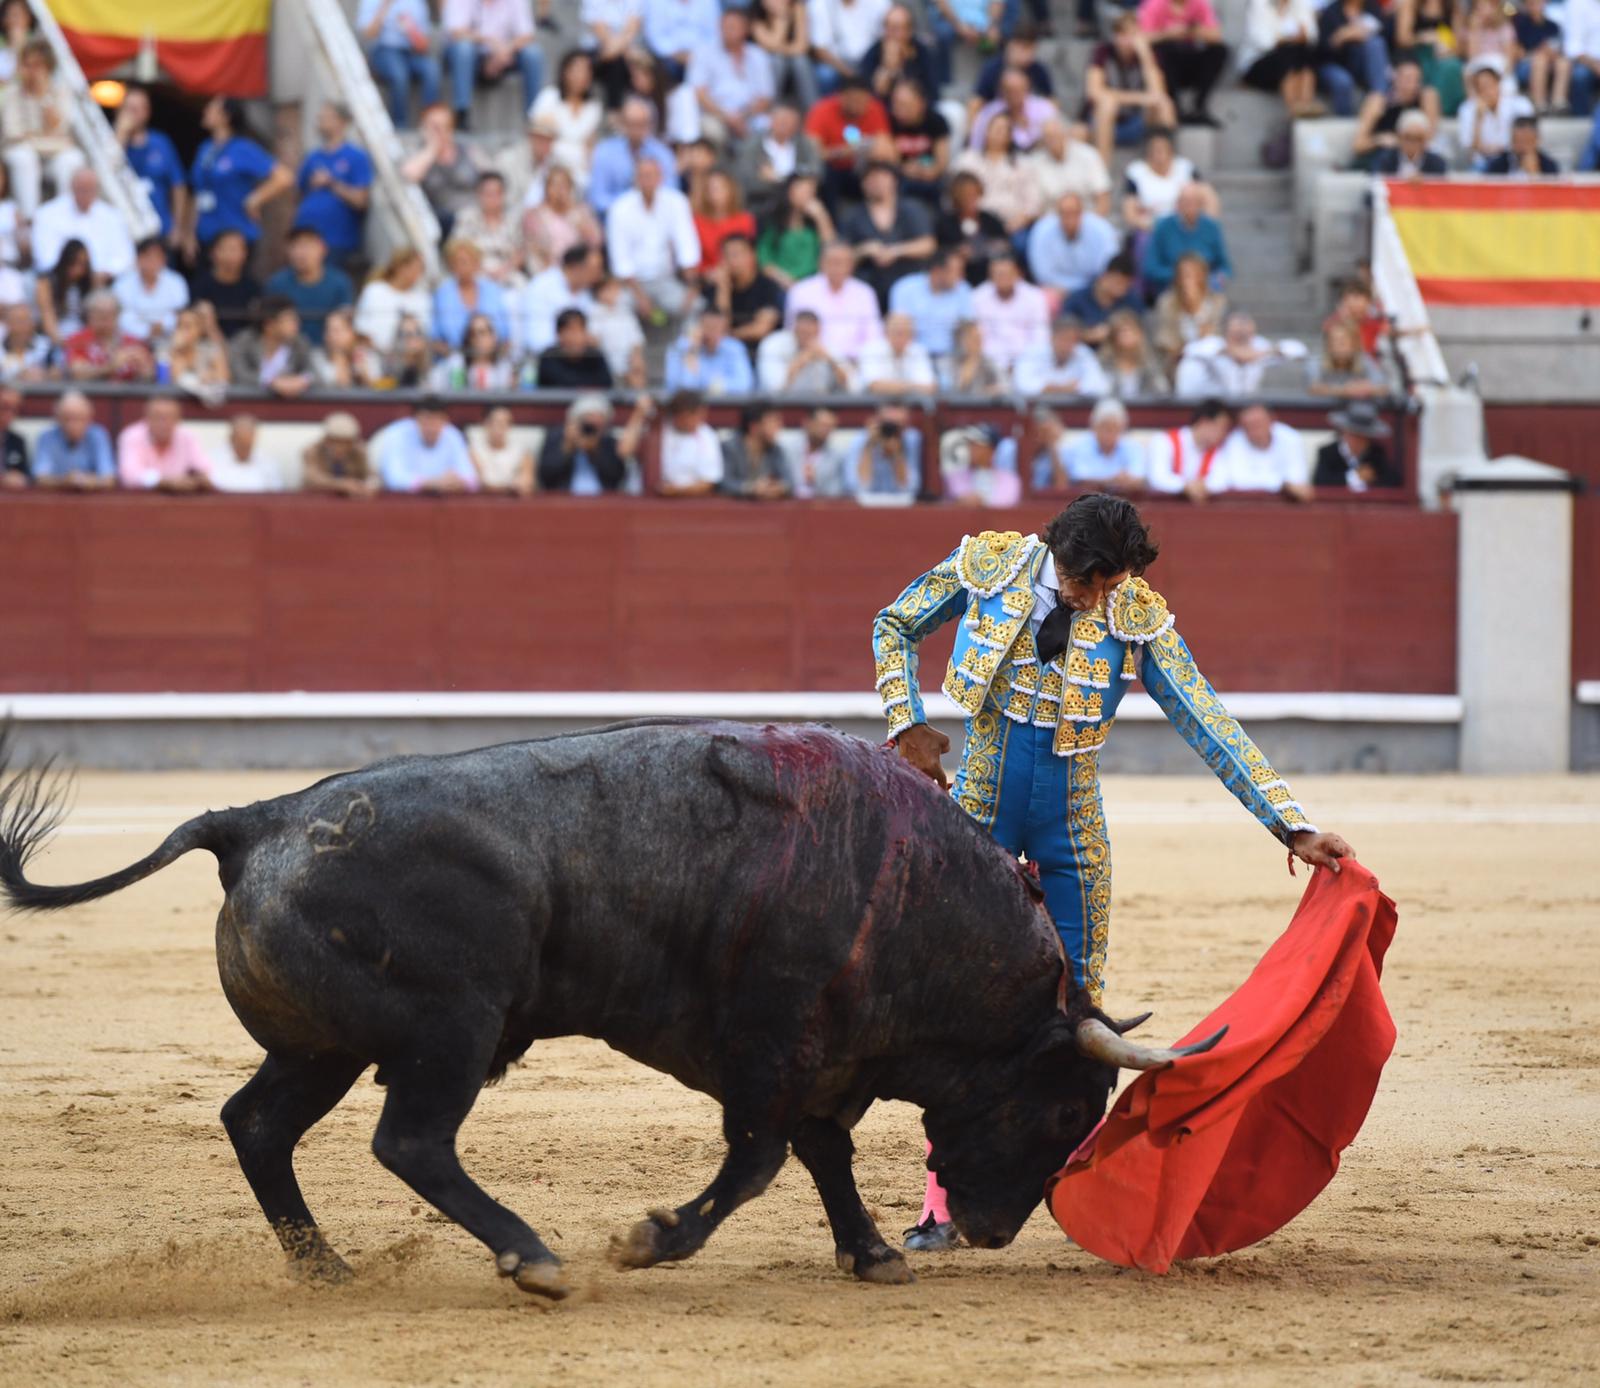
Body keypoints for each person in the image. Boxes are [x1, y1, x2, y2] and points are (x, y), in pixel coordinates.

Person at [874, 495, 1352, 1245]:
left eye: (1105, 584)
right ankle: (940, 1204)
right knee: (957, 1012)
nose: (1093, 596)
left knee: (1080, 1018)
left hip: (1072, 825)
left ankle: (1077, 1193)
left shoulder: (1134, 611)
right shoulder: (995, 566)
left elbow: (1206, 718)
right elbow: (895, 622)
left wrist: (1291, 825)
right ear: (1057, 551)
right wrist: (905, 722)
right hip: (976, 811)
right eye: (1083, 579)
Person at [185, 97, 294, 256]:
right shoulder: (205, 149)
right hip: (206, 233)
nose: (205, 111)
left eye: (212, 108)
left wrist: (255, 199)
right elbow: (196, 192)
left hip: (236, 235)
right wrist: (190, 233)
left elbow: (284, 177)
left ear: (226, 116)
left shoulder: (243, 148)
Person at [606, 154, 700, 322]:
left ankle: (685, 347)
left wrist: (692, 285)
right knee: (614, 309)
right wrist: (640, 296)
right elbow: (620, 259)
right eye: (643, 175)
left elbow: (686, 245)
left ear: (661, 177)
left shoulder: (677, 202)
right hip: (631, 285)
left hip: (666, 281)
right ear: (635, 178)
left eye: (652, 175)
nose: (647, 180)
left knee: (697, 307)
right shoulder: (619, 208)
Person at [0, 39, 84, 218]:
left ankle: (65, 217)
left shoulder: (60, 91)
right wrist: (45, 138)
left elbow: (61, 129)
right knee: (24, 158)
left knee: (71, 160)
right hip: (25, 152)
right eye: (28, 65)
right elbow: (12, 132)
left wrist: (44, 97)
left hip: (52, 154)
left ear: (48, 68)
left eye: (37, 66)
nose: (32, 71)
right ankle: (31, 218)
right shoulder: (13, 93)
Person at [1084, 14, 1179, 164]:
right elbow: (1094, 92)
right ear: (1115, 36)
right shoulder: (1103, 52)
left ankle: (1169, 167)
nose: (1128, 40)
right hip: (1104, 120)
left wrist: (1145, 56)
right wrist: (1139, 98)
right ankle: (1102, 172)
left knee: (1165, 105)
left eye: (1133, 34)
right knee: (1107, 104)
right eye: (1123, 34)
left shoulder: (1148, 55)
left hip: (1136, 120)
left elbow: (1158, 94)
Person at [838, 160, 936, 307]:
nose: (876, 183)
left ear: (894, 181)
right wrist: (864, 250)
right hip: (867, 286)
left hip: (909, 284)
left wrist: (895, 251)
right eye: (870, 179)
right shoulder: (853, 215)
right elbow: (840, 255)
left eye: (881, 178)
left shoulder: (912, 209)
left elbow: (928, 244)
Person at [294, 102, 373, 270]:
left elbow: (361, 201)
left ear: (342, 122)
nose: (320, 121)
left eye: (327, 117)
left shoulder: (356, 156)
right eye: (320, 117)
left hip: (336, 241)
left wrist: (332, 183)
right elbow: (299, 193)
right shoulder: (313, 157)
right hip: (305, 237)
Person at [443, 0, 545, 130]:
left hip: (505, 54)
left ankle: (533, 118)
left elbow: (527, 34)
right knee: (464, 49)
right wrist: (489, 41)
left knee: (533, 53)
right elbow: (455, 32)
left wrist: (505, 50)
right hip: (471, 56)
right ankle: (462, 113)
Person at [783, 240, 882, 364]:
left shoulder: (865, 293)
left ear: (852, 265)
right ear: (820, 263)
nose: (838, 267)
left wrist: (846, 360)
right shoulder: (800, 291)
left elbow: (873, 337)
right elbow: (793, 332)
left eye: (843, 262)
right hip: (814, 360)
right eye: (833, 262)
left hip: (856, 363)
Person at [689, 6, 775, 144]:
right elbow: (700, 94)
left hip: (750, 115)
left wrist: (742, 117)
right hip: (716, 114)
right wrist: (727, 118)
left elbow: (765, 98)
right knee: (712, 130)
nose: (728, 30)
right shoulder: (704, 53)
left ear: (745, 29)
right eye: (725, 26)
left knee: (770, 126)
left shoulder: (758, 55)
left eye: (733, 26)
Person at [114, 86, 189, 246]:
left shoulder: (161, 143)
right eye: (128, 109)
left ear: (147, 112)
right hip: (124, 229)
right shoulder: (112, 141)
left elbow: (178, 186)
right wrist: (121, 134)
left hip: (159, 229)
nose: (132, 114)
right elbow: (108, 171)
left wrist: (177, 226)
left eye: (137, 109)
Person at [31, 168, 136, 280]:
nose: (86, 194)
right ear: (71, 187)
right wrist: (76, 272)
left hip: (105, 283)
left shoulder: (112, 216)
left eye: (90, 189)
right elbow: (44, 258)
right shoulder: (47, 214)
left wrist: (105, 272)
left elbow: (125, 256)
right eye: (81, 189)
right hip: (63, 282)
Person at [802, 76, 890, 209]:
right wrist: (843, 152)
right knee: (823, 173)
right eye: (853, 100)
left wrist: (871, 149)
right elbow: (812, 152)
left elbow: (885, 146)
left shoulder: (874, 108)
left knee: (884, 170)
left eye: (862, 100)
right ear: (841, 97)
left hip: (862, 168)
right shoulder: (822, 110)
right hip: (833, 169)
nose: (858, 105)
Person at [951, 111, 1040, 240]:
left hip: (1012, 225)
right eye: (996, 128)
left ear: (1010, 136)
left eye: (1004, 129)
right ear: (986, 131)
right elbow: (956, 194)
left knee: (1022, 242)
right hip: (973, 224)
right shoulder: (966, 161)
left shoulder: (1023, 164)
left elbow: (1033, 203)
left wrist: (1016, 223)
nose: (999, 132)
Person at [538, 392, 651, 494]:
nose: (592, 425)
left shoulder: (608, 443)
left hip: (603, 504)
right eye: (588, 417)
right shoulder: (556, 439)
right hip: (564, 502)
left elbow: (615, 476)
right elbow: (546, 475)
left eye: (599, 418)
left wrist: (594, 451)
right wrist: (568, 446)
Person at [401, 104, 488, 236]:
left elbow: (491, 178)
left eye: (444, 126)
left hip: (474, 216)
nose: (440, 132)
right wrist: (432, 149)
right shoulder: (418, 153)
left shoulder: (469, 151)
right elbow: (408, 175)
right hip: (440, 220)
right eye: (434, 127)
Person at [1175, 310, 1304, 397]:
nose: (1242, 333)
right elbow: (1189, 350)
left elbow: (1298, 350)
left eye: (1246, 330)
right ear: (1226, 331)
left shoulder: (1259, 344)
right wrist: (1232, 352)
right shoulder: (1213, 343)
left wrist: (1267, 352)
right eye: (1237, 331)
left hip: (1250, 404)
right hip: (1213, 403)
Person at [1138, 0, 1228, 125]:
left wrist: (1191, 30)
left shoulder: (1200, 3)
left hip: (1190, 61)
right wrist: (1167, 34)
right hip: (1164, 66)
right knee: (1166, 49)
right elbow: (1142, 37)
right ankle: (1175, 108)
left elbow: (1217, 36)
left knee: (1219, 50)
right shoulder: (1154, 4)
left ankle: (1199, 107)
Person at [587, 95, 679, 217]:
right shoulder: (604, 151)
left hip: (655, 218)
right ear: (623, 123)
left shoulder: (663, 154)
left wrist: (645, 206)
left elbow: (671, 192)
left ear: (650, 124)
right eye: (631, 124)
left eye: (641, 124)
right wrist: (629, 207)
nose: (636, 130)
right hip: (614, 217)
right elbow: (597, 197)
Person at [264, 227, 355, 349]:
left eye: (307, 246)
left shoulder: (340, 282)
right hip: (289, 353)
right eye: (295, 246)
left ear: (323, 249)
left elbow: (346, 320)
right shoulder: (276, 283)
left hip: (328, 351)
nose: (301, 252)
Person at [1141, 182, 1232, 299]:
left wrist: (1209, 278)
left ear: (1201, 204)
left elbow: (1225, 267)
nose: (1190, 206)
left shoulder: (1211, 227)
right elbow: (1150, 267)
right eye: (1185, 201)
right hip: (1171, 290)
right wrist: (1181, 276)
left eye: (1194, 201)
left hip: (1205, 291)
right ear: (1177, 204)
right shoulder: (1163, 227)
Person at [359, 0, 442, 127]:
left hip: (410, 52)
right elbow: (368, 34)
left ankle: (430, 123)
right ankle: (399, 124)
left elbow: (424, 44)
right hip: (383, 50)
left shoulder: (417, 3)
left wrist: (412, 33)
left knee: (432, 69)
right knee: (399, 74)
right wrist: (384, 7)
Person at [1033, 398, 1147, 490]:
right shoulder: (1079, 445)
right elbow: (1080, 479)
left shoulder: (1133, 447)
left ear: (1123, 428)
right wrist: (1114, 480)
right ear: (1094, 427)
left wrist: (1120, 481)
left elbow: (1138, 479)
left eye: (1115, 428)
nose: (1110, 433)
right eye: (1105, 427)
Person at [1208, 401, 1313, 500]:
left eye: (1258, 424)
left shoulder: (1290, 438)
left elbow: (1297, 479)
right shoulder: (1233, 441)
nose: (1255, 430)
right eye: (1249, 426)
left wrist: (1287, 485)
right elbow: (1239, 481)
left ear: (1272, 421)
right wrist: (1282, 485)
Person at [735, 102, 823, 220]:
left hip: (799, 203)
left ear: (797, 125)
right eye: (782, 120)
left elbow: (816, 172)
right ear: (771, 120)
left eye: (790, 122)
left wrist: (777, 179)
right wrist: (793, 183)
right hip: (763, 203)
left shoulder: (804, 144)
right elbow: (748, 181)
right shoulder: (752, 146)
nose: (785, 125)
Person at [1238, 0, 1323, 120]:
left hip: (1291, 58)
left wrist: (1301, 36)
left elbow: (1311, 36)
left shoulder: (1300, 4)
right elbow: (1261, 40)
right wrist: (1286, 39)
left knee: (1303, 52)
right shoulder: (1259, 3)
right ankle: (1294, 109)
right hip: (1258, 62)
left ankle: (1305, 104)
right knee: (1288, 53)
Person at [1351, 58, 1442, 167]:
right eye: (1408, 79)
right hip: (1382, 157)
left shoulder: (1426, 98)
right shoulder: (1379, 101)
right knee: (1385, 157)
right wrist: (1379, 140)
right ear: (1395, 78)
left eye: (1417, 80)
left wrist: (1401, 142)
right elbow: (1358, 145)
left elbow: (1429, 138)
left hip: (1415, 157)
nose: (1412, 85)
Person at [529, 50, 605, 180]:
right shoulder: (549, 97)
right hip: (549, 170)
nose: (581, 75)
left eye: (586, 71)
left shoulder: (594, 107)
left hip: (581, 173)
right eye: (577, 70)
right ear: (565, 71)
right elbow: (538, 135)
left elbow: (591, 146)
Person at [1026, 192, 1121, 296]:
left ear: (1082, 212)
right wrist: (1066, 289)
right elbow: (1042, 273)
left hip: (1094, 289)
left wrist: (1087, 288)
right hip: (1057, 290)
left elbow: (1108, 266)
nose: (1069, 219)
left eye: (1074, 213)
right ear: (1057, 214)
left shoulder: (1101, 229)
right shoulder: (1042, 230)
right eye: (1064, 213)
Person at [378, 396, 480, 492]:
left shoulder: (453, 435)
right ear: (416, 419)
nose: (431, 427)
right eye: (427, 419)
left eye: (436, 420)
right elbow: (393, 479)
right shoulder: (398, 434)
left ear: (445, 420)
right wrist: (430, 484)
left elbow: (472, 479)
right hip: (406, 504)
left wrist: (459, 482)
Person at [970, 251, 1049, 374]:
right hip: (990, 365)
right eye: (997, 274)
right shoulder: (978, 297)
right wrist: (999, 365)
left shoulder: (1034, 297)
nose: (1002, 279)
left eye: (1006, 274)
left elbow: (1040, 336)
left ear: (1018, 273)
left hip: (1027, 363)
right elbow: (979, 338)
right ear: (990, 276)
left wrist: (1021, 364)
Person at [703, 232, 784, 354]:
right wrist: (723, 289)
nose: (731, 260)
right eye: (726, 255)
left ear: (752, 255)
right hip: (724, 351)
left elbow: (761, 329)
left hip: (759, 351)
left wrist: (728, 335)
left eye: (736, 254)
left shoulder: (767, 286)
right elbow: (717, 326)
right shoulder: (716, 287)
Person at [888, 247, 972, 362]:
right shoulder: (905, 288)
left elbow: (969, 328)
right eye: (957, 271)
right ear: (937, 271)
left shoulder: (963, 289)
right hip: (912, 356)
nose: (962, 276)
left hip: (951, 357)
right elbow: (898, 328)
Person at [117, 395, 213, 491]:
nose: (164, 423)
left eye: (170, 417)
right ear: (147, 418)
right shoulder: (132, 436)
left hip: (179, 500)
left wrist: (199, 480)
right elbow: (129, 476)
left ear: (178, 419)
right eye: (158, 417)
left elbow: (207, 470)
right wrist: (163, 482)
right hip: (140, 501)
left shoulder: (187, 437)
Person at [755, 172, 833, 288]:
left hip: (815, 283)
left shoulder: (815, 223)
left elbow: (832, 249)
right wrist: (788, 282)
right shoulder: (772, 222)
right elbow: (764, 260)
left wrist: (821, 217)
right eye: (802, 190)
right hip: (781, 284)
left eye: (811, 191)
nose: (807, 195)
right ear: (789, 192)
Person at [881, 78, 952, 207]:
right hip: (899, 176)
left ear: (921, 103)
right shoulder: (887, 120)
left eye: (905, 105)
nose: (899, 110)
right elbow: (888, 158)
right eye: (896, 104)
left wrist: (932, 171)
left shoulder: (936, 121)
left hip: (931, 174)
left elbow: (942, 161)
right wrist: (903, 169)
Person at [228, 296, 316, 397]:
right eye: (289, 320)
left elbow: (314, 373)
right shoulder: (244, 341)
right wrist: (270, 381)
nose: (297, 324)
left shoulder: (300, 342)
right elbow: (239, 373)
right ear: (269, 324)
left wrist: (302, 380)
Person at [935, 171, 1012, 288]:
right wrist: (958, 252)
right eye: (967, 196)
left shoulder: (990, 220)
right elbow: (940, 251)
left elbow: (1004, 244)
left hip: (990, 278)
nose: (972, 200)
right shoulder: (946, 224)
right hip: (960, 279)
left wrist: (981, 249)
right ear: (957, 198)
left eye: (975, 194)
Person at [523, 163, 601, 276]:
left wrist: (575, 216)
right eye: (554, 185)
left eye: (564, 185)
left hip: (577, 270)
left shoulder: (581, 211)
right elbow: (533, 248)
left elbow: (596, 241)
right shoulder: (534, 215)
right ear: (546, 188)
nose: (559, 190)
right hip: (547, 270)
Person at [433, 237, 512, 349]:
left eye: (467, 261)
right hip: (455, 358)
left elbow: (505, 335)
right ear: (451, 266)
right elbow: (434, 339)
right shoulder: (442, 294)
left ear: (476, 263)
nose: (463, 267)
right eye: (458, 262)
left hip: (493, 357)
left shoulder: (493, 290)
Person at [1146, 395, 1232, 497]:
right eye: (1221, 428)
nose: (1223, 434)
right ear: (1204, 422)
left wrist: (1201, 487)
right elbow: (1157, 478)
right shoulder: (1164, 441)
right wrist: (1185, 487)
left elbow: (1222, 481)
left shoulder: (1217, 450)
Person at [1026, 119, 1113, 218]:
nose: (1052, 141)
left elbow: (1103, 197)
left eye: (1056, 135)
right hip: (1052, 220)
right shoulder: (1034, 163)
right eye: (1048, 137)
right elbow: (1034, 205)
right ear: (1043, 141)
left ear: (1065, 134)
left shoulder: (1088, 155)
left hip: (1087, 217)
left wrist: (1091, 223)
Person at [65, 290, 156, 384]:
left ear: (117, 315)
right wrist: (111, 367)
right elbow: (77, 373)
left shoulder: (133, 342)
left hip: (128, 394)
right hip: (91, 395)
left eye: (110, 314)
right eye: (99, 313)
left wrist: (145, 371)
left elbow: (149, 375)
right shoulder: (78, 339)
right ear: (89, 315)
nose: (105, 319)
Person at [31, 389, 116, 490]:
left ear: (89, 418)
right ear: (57, 418)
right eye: (67, 418)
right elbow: (39, 478)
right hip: (56, 500)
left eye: (79, 418)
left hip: (92, 501)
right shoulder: (47, 437)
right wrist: (64, 482)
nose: (73, 425)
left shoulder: (98, 436)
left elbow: (109, 479)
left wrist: (88, 481)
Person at [756, 307, 855, 392]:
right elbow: (774, 388)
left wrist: (830, 360)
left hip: (820, 405)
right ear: (794, 329)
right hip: (781, 405)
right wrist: (801, 360)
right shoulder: (774, 344)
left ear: (819, 330)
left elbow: (852, 387)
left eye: (810, 332)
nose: (806, 336)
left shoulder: (827, 347)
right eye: (802, 332)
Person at [1459, 55, 1533, 168]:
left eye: (1489, 85)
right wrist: (1478, 119)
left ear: (1498, 83)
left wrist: (1502, 149)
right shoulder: (1467, 109)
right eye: (1480, 87)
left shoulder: (1519, 104)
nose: (1486, 91)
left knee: (1528, 161)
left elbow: (1529, 139)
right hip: (1483, 163)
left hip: (1513, 160)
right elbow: (1471, 149)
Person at [453, 171, 525, 286]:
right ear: (478, 194)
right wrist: (482, 271)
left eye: (496, 193)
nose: (492, 198)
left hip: (507, 272)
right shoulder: (466, 218)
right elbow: (459, 250)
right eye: (488, 194)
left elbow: (520, 252)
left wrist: (503, 270)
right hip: (474, 273)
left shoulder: (513, 220)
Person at [112, 237, 190, 343]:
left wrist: (163, 326)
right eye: (147, 256)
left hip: (169, 337)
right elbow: (122, 317)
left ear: (164, 260)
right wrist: (145, 332)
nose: (152, 261)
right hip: (131, 338)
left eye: (157, 257)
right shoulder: (122, 284)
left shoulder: (176, 281)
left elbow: (179, 313)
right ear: (138, 258)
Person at [356, 247, 433, 353]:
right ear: (400, 267)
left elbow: (424, 336)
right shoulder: (374, 291)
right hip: (375, 356)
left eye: (420, 269)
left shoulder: (423, 298)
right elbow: (361, 330)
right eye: (414, 268)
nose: (417, 273)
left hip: (410, 361)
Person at [1013, 315, 1111, 397]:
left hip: (1073, 410)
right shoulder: (1033, 352)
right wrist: (1061, 388)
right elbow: (1022, 385)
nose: (1067, 345)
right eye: (1063, 339)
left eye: (1072, 340)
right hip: (1037, 409)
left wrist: (1077, 387)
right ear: (1052, 337)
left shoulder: (1083, 353)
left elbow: (1101, 386)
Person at [663, 306, 754, 393]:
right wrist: (692, 351)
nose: (713, 333)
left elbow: (744, 384)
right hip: (690, 406)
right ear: (698, 327)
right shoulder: (679, 348)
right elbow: (682, 388)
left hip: (724, 405)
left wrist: (709, 384)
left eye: (718, 328)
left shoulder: (734, 348)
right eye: (708, 327)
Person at [189, 228, 261, 338]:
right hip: (207, 343)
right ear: (212, 253)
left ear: (245, 254)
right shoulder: (199, 286)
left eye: (236, 249)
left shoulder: (253, 288)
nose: (231, 254)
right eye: (226, 248)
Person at [809, 0, 894, 92]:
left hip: (873, 59)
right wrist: (850, 74)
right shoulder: (819, 4)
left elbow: (891, 35)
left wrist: (886, 66)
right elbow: (820, 49)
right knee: (825, 75)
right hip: (837, 64)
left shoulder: (879, 2)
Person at [969, 66, 1058, 152]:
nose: (1014, 95)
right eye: (1010, 91)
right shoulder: (989, 113)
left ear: (1027, 88)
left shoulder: (1043, 108)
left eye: (1019, 90)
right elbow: (976, 145)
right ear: (1001, 91)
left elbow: (1056, 139)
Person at [1312, 401, 1399, 489]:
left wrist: (1372, 480)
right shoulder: (1328, 453)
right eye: (1354, 434)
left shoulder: (1377, 454)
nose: (1358, 440)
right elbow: (1319, 483)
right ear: (1344, 432)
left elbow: (1392, 482)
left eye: (1363, 436)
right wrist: (1353, 477)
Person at [1063, 256, 1143, 348]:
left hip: (1117, 354)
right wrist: (1087, 335)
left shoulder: (1132, 301)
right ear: (1105, 276)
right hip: (1083, 352)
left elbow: (1140, 328)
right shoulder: (1078, 299)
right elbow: (1063, 328)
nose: (1121, 288)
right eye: (1118, 282)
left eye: (1126, 285)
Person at [719, 399, 792, 498]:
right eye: (772, 421)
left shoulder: (775, 450)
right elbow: (724, 483)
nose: (779, 426)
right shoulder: (729, 448)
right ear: (754, 427)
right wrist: (751, 488)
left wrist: (779, 487)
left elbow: (790, 482)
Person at [751, 0, 817, 109]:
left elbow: (802, 46)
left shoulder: (798, 8)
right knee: (778, 60)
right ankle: (773, 108)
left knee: (800, 60)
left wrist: (781, 49)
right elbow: (772, 44)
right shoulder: (756, 15)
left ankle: (813, 109)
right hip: (767, 65)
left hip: (794, 59)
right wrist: (782, 18)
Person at [691, 168, 757, 273]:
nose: (715, 193)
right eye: (710, 189)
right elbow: (694, 259)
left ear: (731, 190)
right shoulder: (697, 222)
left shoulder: (745, 220)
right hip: (709, 277)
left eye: (720, 188)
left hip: (740, 275)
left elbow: (749, 256)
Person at [849, 405, 921, 500]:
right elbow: (856, 486)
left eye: (898, 427)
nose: (891, 432)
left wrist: (897, 454)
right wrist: (869, 447)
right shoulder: (861, 439)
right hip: (867, 504)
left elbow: (910, 488)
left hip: (899, 505)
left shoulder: (910, 439)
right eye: (886, 426)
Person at [659, 388, 723, 495]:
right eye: (692, 415)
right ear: (678, 415)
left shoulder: (707, 436)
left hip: (693, 503)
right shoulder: (658, 430)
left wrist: (677, 491)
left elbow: (709, 482)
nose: (699, 419)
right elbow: (625, 451)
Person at [858, 310, 937, 395]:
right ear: (886, 332)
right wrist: (912, 387)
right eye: (898, 333)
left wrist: (897, 387)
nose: (903, 338)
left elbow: (930, 387)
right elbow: (874, 385)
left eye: (908, 333)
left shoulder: (918, 350)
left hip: (909, 406)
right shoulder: (871, 350)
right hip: (874, 406)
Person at [944, 422, 1021, 508]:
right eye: (970, 444)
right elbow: (958, 497)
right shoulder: (956, 477)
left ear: (992, 449)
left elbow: (1006, 502)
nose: (971, 449)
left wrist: (981, 501)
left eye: (977, 445)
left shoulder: (1010, 480)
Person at [163, 304, 232, 401]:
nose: (183, 331)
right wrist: (176, 351)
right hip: (174, 402)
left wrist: (210, 375)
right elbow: (174, 377)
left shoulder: (211, 348)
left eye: (188, 326)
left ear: (199, 329)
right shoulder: (166, 350)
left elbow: (224, 377)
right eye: (179, 325)